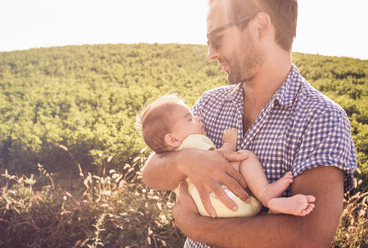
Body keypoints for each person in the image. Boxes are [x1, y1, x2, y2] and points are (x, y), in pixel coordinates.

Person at [142, 0, 357, 247]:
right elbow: (151, 174)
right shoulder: (209, 103)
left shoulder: (322, 118)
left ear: (261, 26)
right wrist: (185, 161)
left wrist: (196, 227)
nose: (211, 54)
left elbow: (308, 237)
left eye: (217, 38)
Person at [138, 94, 316, 218]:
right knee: (244, 156)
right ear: (172, 139)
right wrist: (229, 142)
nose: (198, 119)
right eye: (190, 119)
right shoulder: (193, 142)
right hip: (226, 201)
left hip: (208, 211)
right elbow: (218, 158)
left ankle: (274, 210)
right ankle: (266, 195)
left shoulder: (172, 153)